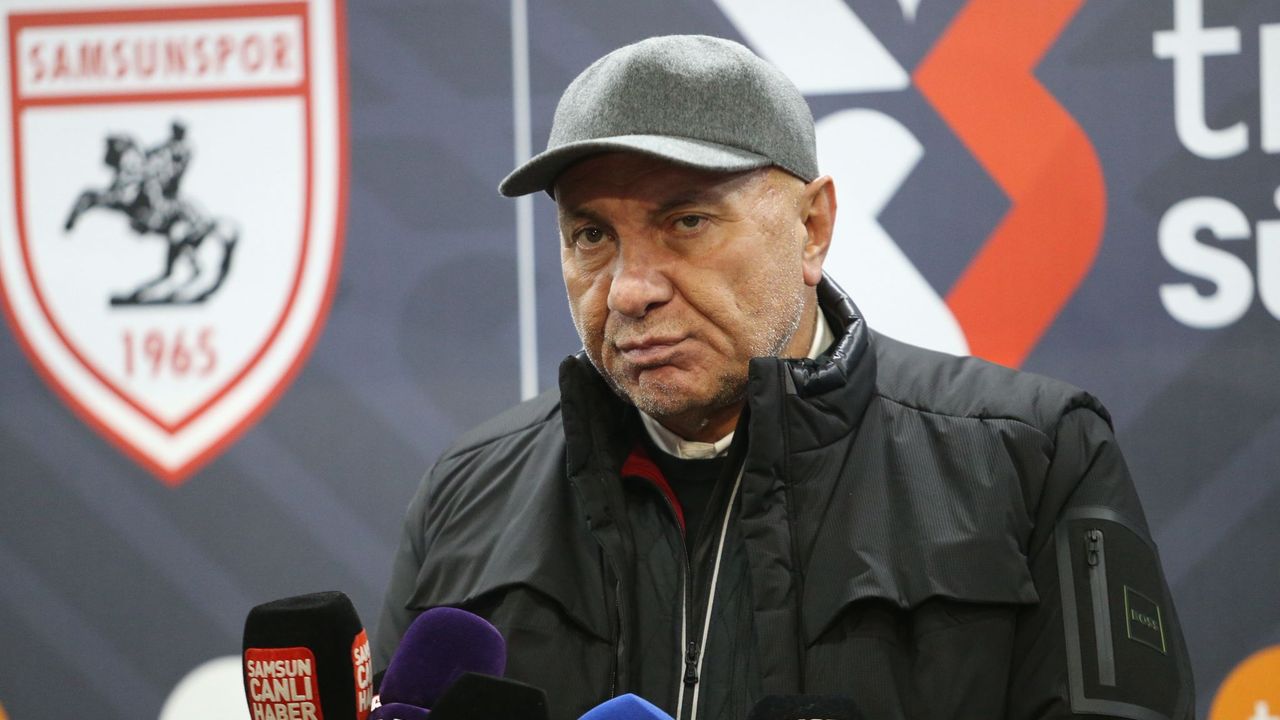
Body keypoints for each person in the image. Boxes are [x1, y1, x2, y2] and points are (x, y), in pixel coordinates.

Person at [373, 35, 1194, 720]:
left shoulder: (1033, 457)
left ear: (813, 226)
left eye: (686, 220)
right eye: (591, 235)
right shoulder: (466, 493)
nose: (628, 289)